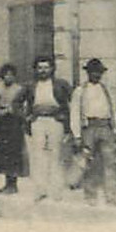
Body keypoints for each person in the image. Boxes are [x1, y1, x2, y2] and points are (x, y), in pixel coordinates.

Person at [19, 54, 73, 202]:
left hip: (55, 121)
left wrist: (65, 118)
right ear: (35, 70)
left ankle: (56, 190)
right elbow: (16, 103)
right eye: (40, 68)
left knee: (56, 155)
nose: (43, 71)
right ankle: (40, 190)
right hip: (38, 122)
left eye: (46, 67)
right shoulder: (30, 86)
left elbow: (74, 101)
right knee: (38, 156)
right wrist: (26, 117)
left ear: (52, 69)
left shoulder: (61, 84)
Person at [70, 57, 116, 205]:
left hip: (105, 128)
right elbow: (74, 113)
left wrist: (114, 129)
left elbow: (112, 110)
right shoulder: (80, 91)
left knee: (110, 162)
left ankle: (111, 196)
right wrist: (77, 135)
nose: (96, 75)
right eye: (93, 72)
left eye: (99, 73)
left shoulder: (106, 89)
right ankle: (90, 196)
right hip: (89, 128)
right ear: (88, 73)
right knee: (88, 163)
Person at [0, 63, 28, 192]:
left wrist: (10, 110)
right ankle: (7, 183)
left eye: (11, 75)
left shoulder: (19, 89)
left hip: (14, 122)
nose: (8, 77)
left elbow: (23, 108)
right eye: (6, 75)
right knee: (4, 152)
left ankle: (13, 184)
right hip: (2, 123)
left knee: (13, 152)